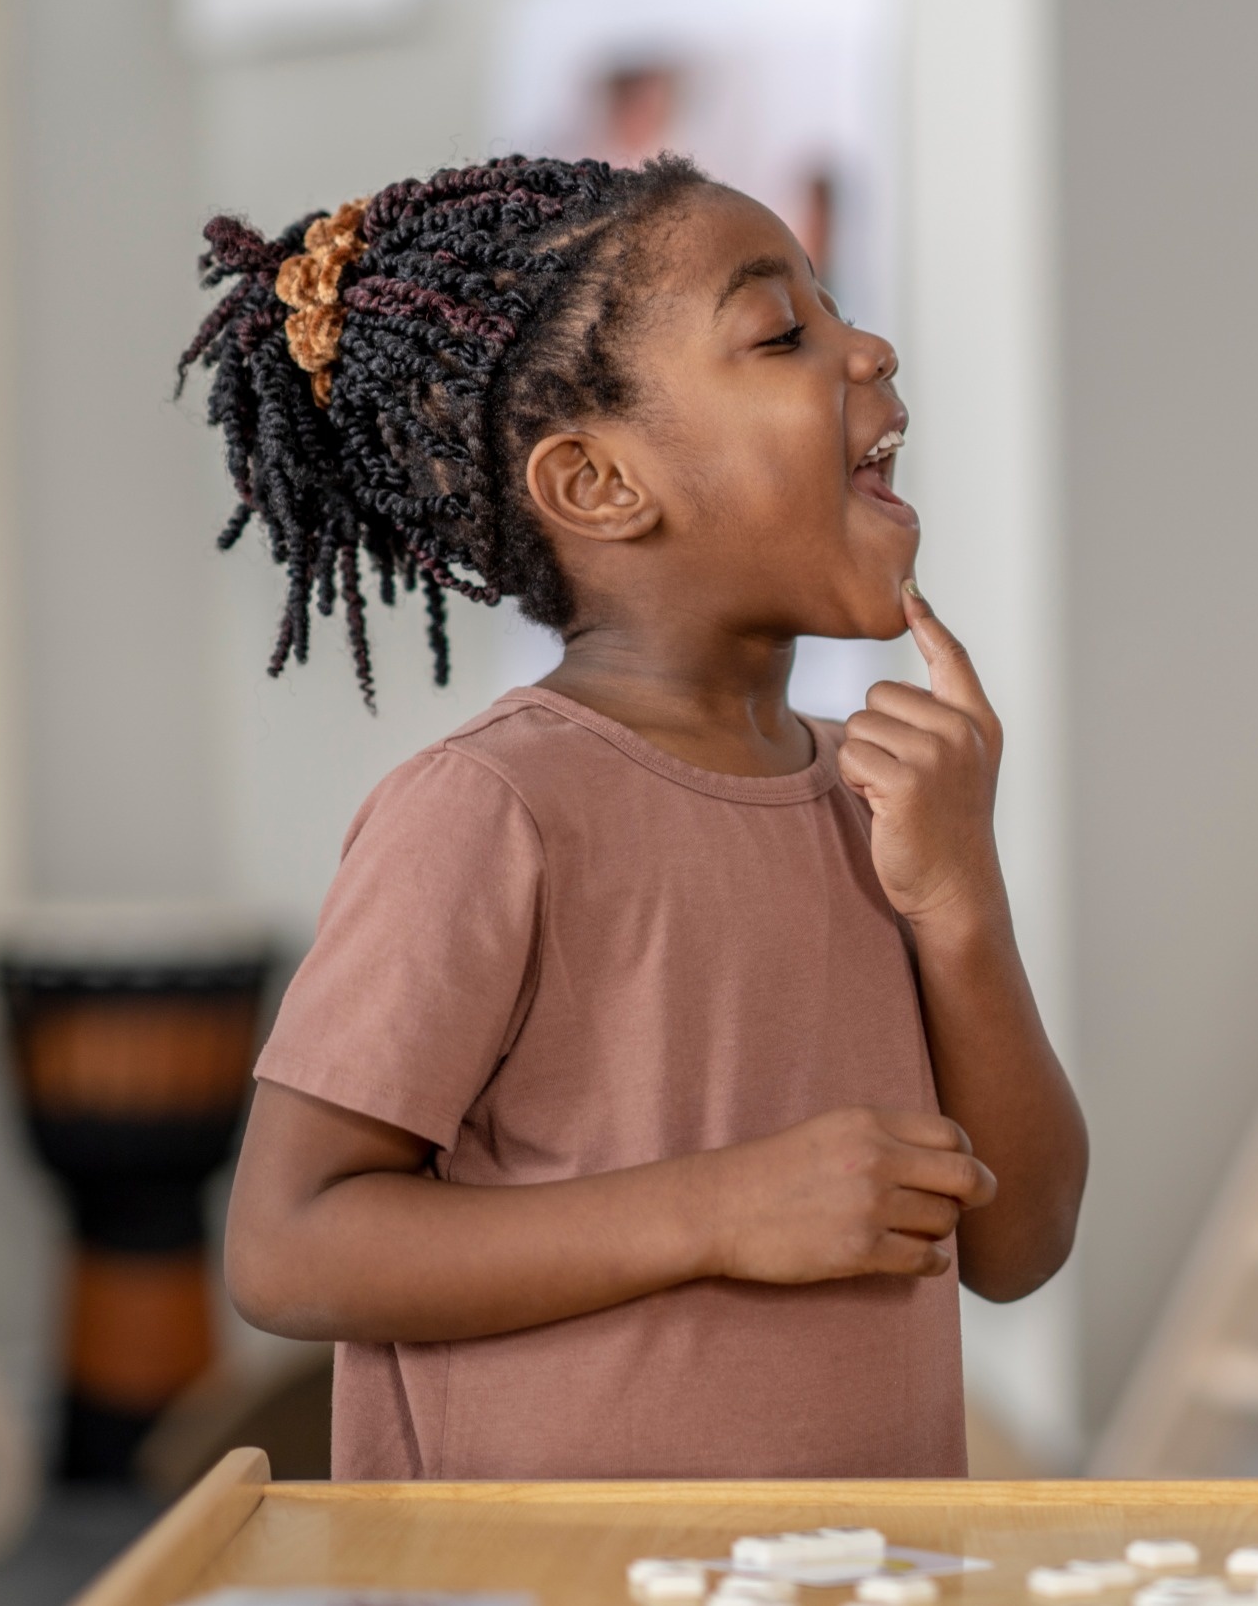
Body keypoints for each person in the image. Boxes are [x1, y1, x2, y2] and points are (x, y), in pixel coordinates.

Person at [179, 155, 1087, 1479]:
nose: (869, 347)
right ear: (599, 485)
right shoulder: (489, 811)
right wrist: (718, 1208)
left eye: (834, 313)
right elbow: (288, 1244)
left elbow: (1022, 1242)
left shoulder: (885, 806)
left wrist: (961, 901)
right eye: (783, 333)